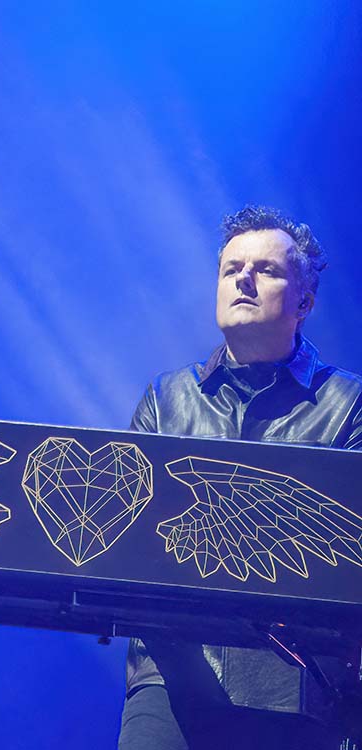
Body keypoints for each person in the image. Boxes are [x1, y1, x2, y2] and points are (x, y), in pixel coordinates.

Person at [117, 205, 362, 750]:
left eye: (265, 270)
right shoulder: (166, 397)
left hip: (302, 687)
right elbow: (129, 535)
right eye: (232, 269)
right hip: (169, 672)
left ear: (305, 302)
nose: (243, 279)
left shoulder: (349, 405)